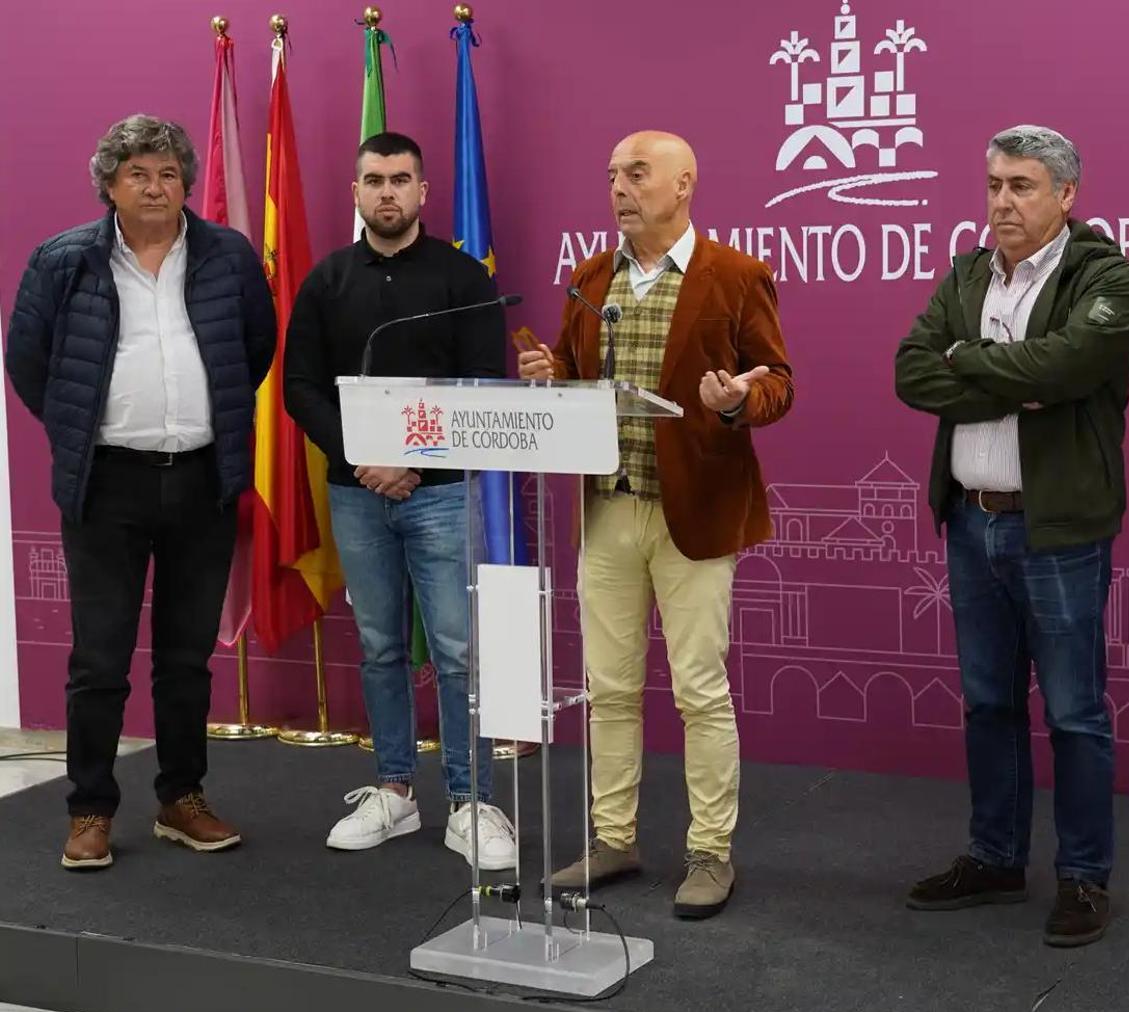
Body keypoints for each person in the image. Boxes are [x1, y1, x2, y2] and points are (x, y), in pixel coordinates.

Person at [518, 130, 793, 918]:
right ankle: (614, 837)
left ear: (684, 186)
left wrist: (738, 398)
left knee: (700, 691)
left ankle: (710, 852)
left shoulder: (736, 275)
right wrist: (552, 376)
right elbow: (577, 378)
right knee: (609, 689)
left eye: (637, 174)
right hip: (605, 508)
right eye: (611, 175)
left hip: (697, 512)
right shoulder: (589, 279)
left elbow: (779, 380)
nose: (619, 188)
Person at [5, 113, 276, 870]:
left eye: (168, 173)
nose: (156, 187)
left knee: (186, 658)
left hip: (202, 480)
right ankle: (90, 808)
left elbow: (254, 349)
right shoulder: (63, 262)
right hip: (106, 485)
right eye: (138, 174)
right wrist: (83, 427)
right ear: (109, 186)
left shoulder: (227, 256)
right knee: (98, 659)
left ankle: (180, 798)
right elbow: (29, 363)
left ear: (186, 183)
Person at [895, 125, 1129, 947]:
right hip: (971, 522)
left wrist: (975, 364)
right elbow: (911, 370)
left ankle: (1083, 878)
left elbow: (1068, 367)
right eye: (995, 184)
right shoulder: (968, 272)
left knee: (1074, 713)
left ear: (1066, 195)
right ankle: (996, 857)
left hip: (1058, 527)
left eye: (1022, 186)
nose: (1002, 201)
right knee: (989, 704)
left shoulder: (1104, 275)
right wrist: (1010, 374)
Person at [284, 131, 517, 868]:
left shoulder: (462, 279)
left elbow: (481, 380)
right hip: (356, 495)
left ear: (422, 192)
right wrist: (367, 458)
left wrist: (413, 461)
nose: (388, 192)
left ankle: (470, 799)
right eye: (374, 180)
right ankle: (393, 791)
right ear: (355, 193)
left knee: (455, 649)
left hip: (442, 495)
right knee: (381, 647)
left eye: (401, 179)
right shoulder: (326, 283)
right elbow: (300, 388)